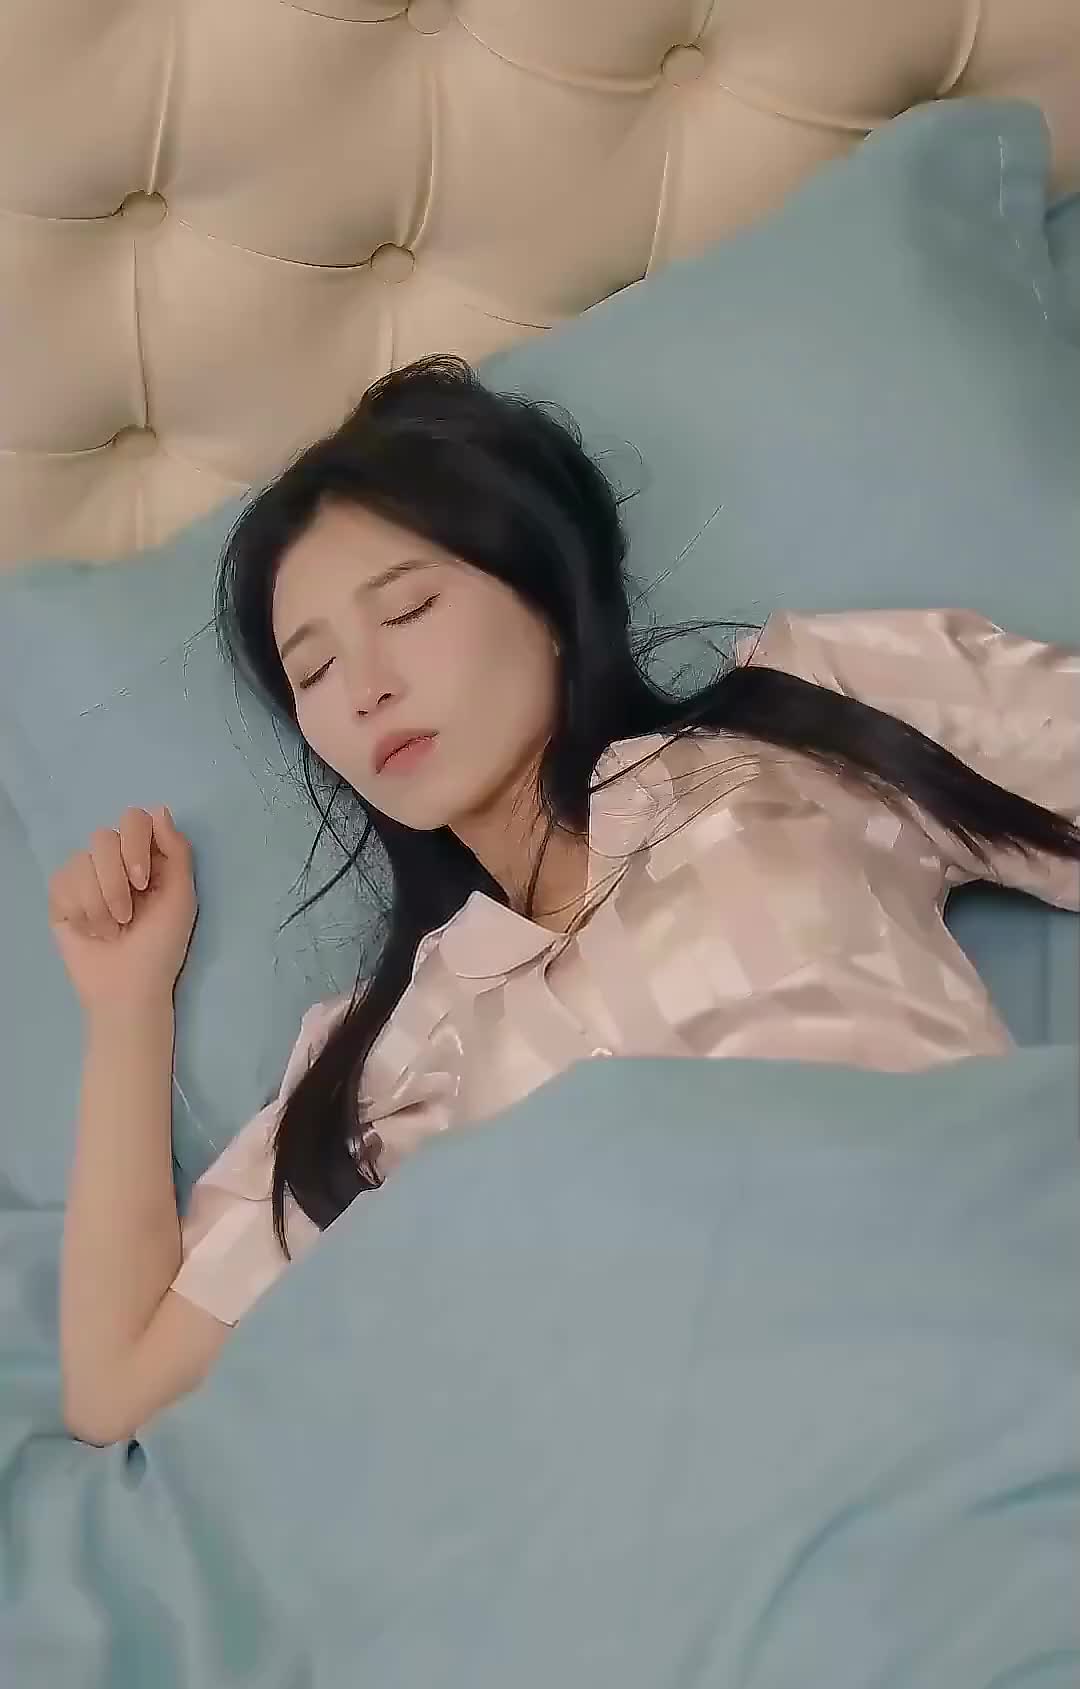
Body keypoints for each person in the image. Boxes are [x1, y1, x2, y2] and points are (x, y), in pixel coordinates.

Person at [49, 356, 1080, 1445]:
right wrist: (126, 1007)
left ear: (544, 594)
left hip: (985, 1333)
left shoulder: (798, 729)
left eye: (408, 608)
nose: (365, 690)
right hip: (697, 1470)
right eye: (313, 673)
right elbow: (117, 1388)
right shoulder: (383, 1055)